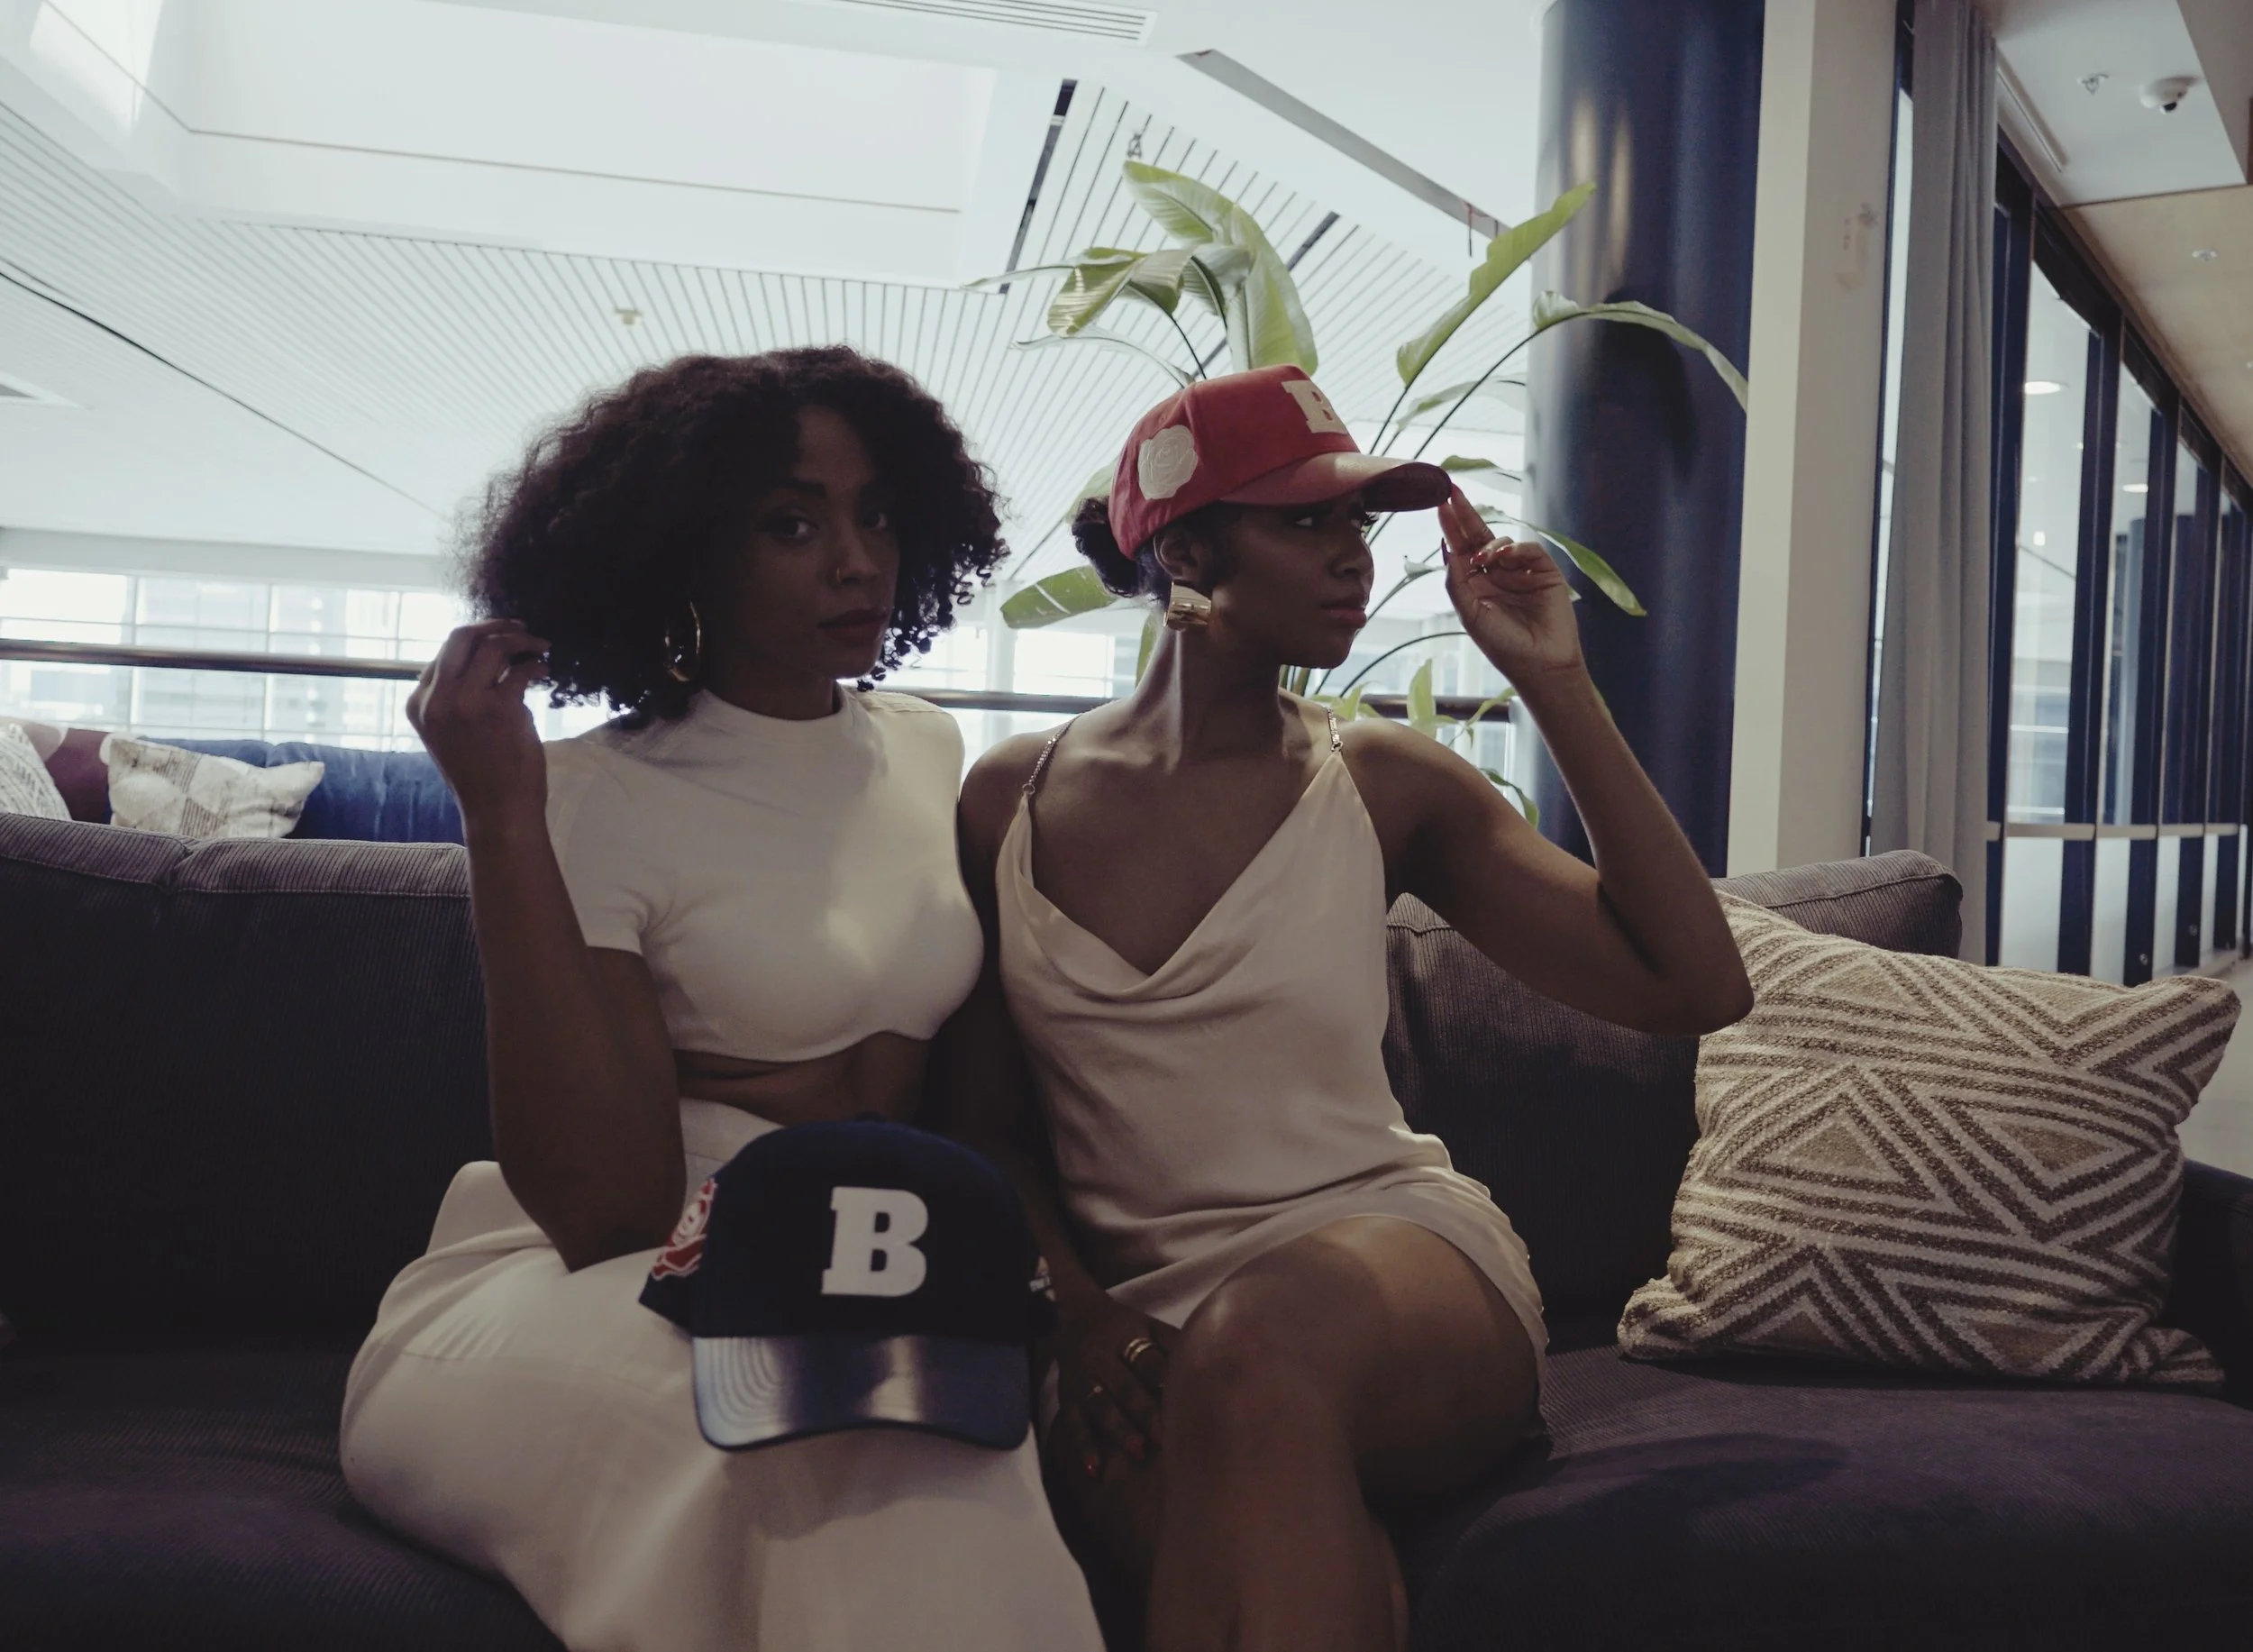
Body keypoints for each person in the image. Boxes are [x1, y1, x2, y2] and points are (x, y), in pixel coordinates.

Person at [946, 365, 1753, 1650]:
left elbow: (1695, 989)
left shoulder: (1380, 781)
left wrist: (1554, 682)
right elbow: (985, 1127)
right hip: (1140, 1318)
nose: (1353, 557)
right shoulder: (1008, 801)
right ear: (1186, 550)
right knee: (1290, 1552)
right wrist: (1081, 1315)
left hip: (1393, 1268)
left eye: (1356, 524)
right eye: (1306, 521)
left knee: (1256, 1346)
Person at [341, 348, 1103, 1652]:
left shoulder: (925, 748)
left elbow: (975, 1111)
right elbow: (607, 1211)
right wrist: (502, 820)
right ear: (684, 550)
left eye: (876, 515)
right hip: (579, 1282)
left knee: (933, 1440)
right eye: (790, 525)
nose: (857, 563)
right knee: (821, 1430)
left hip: (860, 1262)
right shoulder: (587, 792)